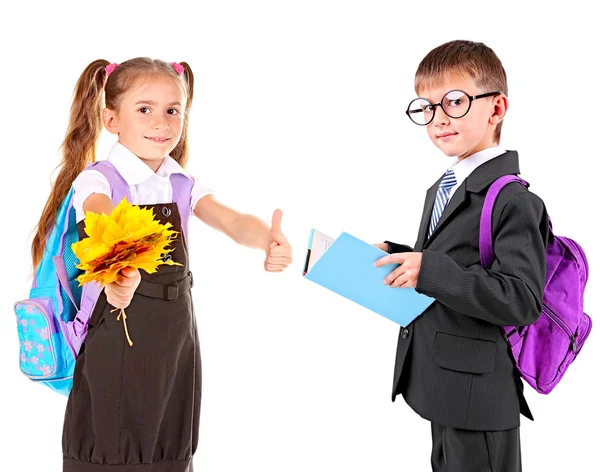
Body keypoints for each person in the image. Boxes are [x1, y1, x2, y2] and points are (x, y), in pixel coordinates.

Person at [30, 57, 293, 472]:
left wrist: (267, 239)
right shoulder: (98, 182)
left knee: (169, 444)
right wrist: (118, 280)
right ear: (111, 120)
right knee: (111, 443)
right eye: (145, 109)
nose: (162, 122)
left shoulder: (181, 183)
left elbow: (232, 220)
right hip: (117, 329)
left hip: (174, 335)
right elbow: (101, 224)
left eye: (173, 110)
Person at [373, 40, 549, 471]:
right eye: (427, 107)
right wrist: (403, 256)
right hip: (445, 383)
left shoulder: (513, 199)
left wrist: (427, 268)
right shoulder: (444, 187)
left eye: (454, 101)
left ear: (496, 108)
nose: (438, 119)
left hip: (480, 397)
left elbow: (522, 299)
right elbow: (454, 259)